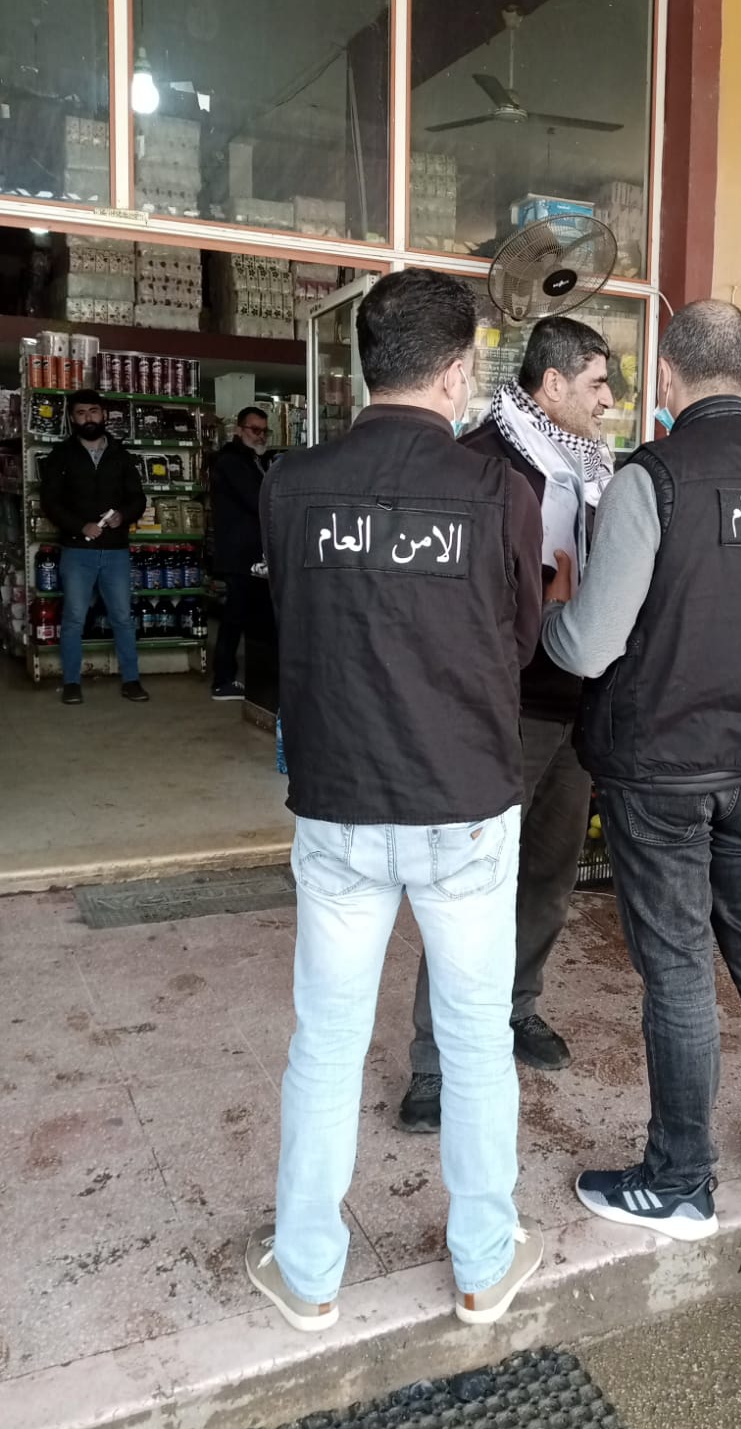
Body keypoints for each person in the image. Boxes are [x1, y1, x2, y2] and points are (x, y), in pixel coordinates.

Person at [246, 269, 545, 1331]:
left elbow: (296, 617)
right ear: (459, 371)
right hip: (463, 801)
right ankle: (482, 1264)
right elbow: (520, 638)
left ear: (368, 364)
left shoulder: (291, 484)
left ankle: (308, 1274)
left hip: (339, 803)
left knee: (326, 1043)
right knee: (474, 1041)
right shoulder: (499, 492)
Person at [541, 299, 741, 1240]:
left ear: (668, 376)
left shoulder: (654, 477)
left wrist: (550, 617)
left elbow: (592, 645)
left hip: (660, 772)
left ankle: (680, 1181)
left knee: (676, 969)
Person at [398, 314, 614, 1131]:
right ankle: (432, 1061)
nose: (608, 401)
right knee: (466, 888)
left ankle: (517, 1008)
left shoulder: (592, 465)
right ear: (552, 383)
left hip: (577, 703)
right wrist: (541, 599)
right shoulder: (481, 462)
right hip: (500, 708)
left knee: (549, 877)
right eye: (597, 384)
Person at [40, 387, 148, 705]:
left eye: (94, 411)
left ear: (104, 415)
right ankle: (71, 682)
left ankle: (132, 680)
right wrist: (79, 526)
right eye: (81, 413)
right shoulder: (61, 455)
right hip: (77, 550)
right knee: (74, 618)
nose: (88, 418)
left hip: (115, 551)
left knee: (122, 617)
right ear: (72, 418)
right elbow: (50, 502)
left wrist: (123, 516)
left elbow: (138, 498)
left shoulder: (121, 455)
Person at [209, 403, 272, 700]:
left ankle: (240, 676)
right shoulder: (232, 462)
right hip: (240, 554)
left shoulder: (254, 460)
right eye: (254, 430)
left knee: (247, 617)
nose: (260, 436)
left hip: (252, 552)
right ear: (239, 430)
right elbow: (256, 499)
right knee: (235, 618)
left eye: (264, 431)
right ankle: (223, 679)